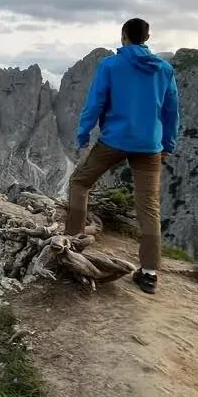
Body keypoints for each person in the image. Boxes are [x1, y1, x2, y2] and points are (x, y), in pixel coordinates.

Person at [65, 17, 180, 294]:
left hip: (114, 140)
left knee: (80, 183)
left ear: (123, 36)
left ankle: (71, 243)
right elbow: (171, 110)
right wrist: (168, 144)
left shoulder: (111, 65)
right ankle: (150, 273)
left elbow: (95, 103)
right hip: (150, 146)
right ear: (147, 37)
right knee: (149, 206)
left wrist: (83, 135)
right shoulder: (164, 69)